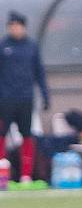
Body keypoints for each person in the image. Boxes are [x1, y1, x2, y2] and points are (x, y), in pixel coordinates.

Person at [0, 11, 49, 183]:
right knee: (2, 134)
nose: (14, 28)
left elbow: (39, 73)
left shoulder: (31, 46)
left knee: (27, 135)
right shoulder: (3, 46)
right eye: (11, 25)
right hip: (5, 100)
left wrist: (45, 95)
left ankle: (26, 175)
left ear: (23, 27)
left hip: (26, 99)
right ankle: (2, 174)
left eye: (17, 25)